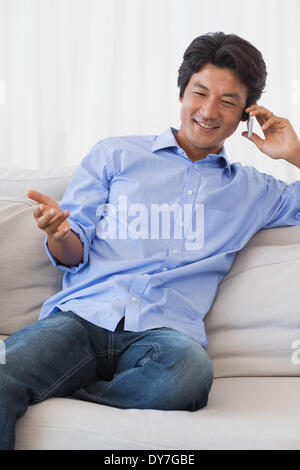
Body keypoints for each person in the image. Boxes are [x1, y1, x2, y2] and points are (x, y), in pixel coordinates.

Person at [1, 31, 300, 450]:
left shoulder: (256, 191)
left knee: (189, 375)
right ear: (182, 93)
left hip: (165, 336)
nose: (209, 111)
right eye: (200, 93)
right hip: (82, 318)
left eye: (228, 102)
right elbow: (72, 252)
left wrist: (295, 153)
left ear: (246, 115)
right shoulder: (115, 155)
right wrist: (60, 234)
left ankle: (65, 390)